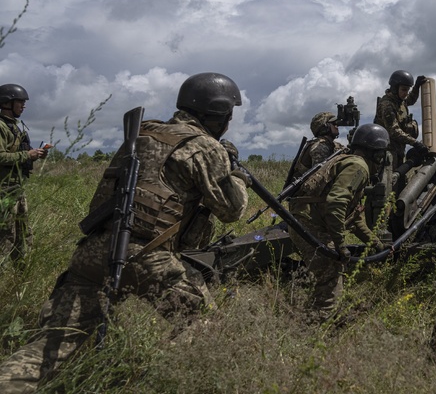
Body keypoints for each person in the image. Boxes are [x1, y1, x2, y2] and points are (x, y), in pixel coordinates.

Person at [0, 73, 249, 392]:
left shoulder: (142, 133)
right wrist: (234, 172)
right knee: (205, 326)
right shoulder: (204, 147)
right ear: (220, 114)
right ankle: (156, 379)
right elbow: (231, 211)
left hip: (91, 252)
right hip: (147, 257)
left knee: (46, 350)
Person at [288, 123, 389, 321]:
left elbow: (355, 217)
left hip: (304, 219)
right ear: (377, 154)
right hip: (309, 222)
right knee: (331, 270)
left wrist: (377, 244)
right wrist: (340, 246)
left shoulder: (350, 162)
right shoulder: (358, 167)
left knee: (329, 271)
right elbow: (336, 204)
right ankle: (320, 322)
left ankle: (318, 315)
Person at [0, 84, 49, 265]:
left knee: (23, 234)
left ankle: (19, 278)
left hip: (16, 188)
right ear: (7, 102)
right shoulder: (1, 127)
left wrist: (35, 154)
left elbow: (18, 155)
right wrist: (26, 155)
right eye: (20, 101)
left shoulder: (15, 127)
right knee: (5, 236)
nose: (24, 106)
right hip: (3, 191)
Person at [373, 70, 427, 170]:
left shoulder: (399, 101)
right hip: (388, 151)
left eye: (407, 90)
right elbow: (394, 131)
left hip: (398, 149)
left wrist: (417, 86)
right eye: (403, 90)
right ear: (394, 88)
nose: (406, 93)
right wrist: (415, 143)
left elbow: (411, 99)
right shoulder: (387, 105)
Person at [291, 111, 344, 179]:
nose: (337, 126)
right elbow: (320, 177)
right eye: (334, 124)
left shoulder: (332, 145)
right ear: (325, 127)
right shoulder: (319, 147)